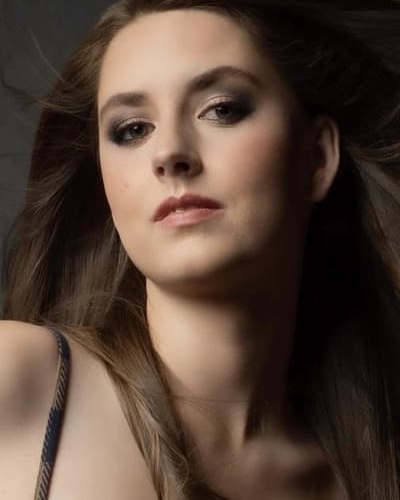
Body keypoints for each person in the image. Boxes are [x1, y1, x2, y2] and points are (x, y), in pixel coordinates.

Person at [1, 0, 399, 498]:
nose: (169, 153)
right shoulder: (19, 383)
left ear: (316, 157)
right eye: (133, 130)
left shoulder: (370, 475)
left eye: (221, 109)